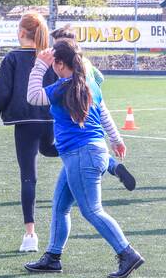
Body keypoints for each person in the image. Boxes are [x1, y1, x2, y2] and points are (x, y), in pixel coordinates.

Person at [23, 40, 144, 278]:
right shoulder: (88, 83)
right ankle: (53, 257)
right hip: (90, 153)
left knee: (92, 210)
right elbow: (104, 114)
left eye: (53, 62)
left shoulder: (62, 87)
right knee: (60, 207)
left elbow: (33, 97)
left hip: (81, 156)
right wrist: (116, 139)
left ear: (59, 64)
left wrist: (38, 66)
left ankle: (127, 253)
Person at [0, 12, 60, 252]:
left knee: (28, 176)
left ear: (21, 32)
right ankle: (104, 160)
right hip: (49, 119)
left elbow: (2, 94)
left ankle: (30, 236)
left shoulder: (12, 58)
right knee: (51, 150)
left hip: (25, 122)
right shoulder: (50, 56)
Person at [48, 25, 136, 191]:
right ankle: (113, 166)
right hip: (90, 110)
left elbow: (39, 95)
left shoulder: (63, 68)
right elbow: (100, 78)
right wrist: (92, 91)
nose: (54, 51)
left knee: (91, 209)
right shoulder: (85, 63)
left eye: (57, 46)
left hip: (75, 122)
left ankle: (109, 166)